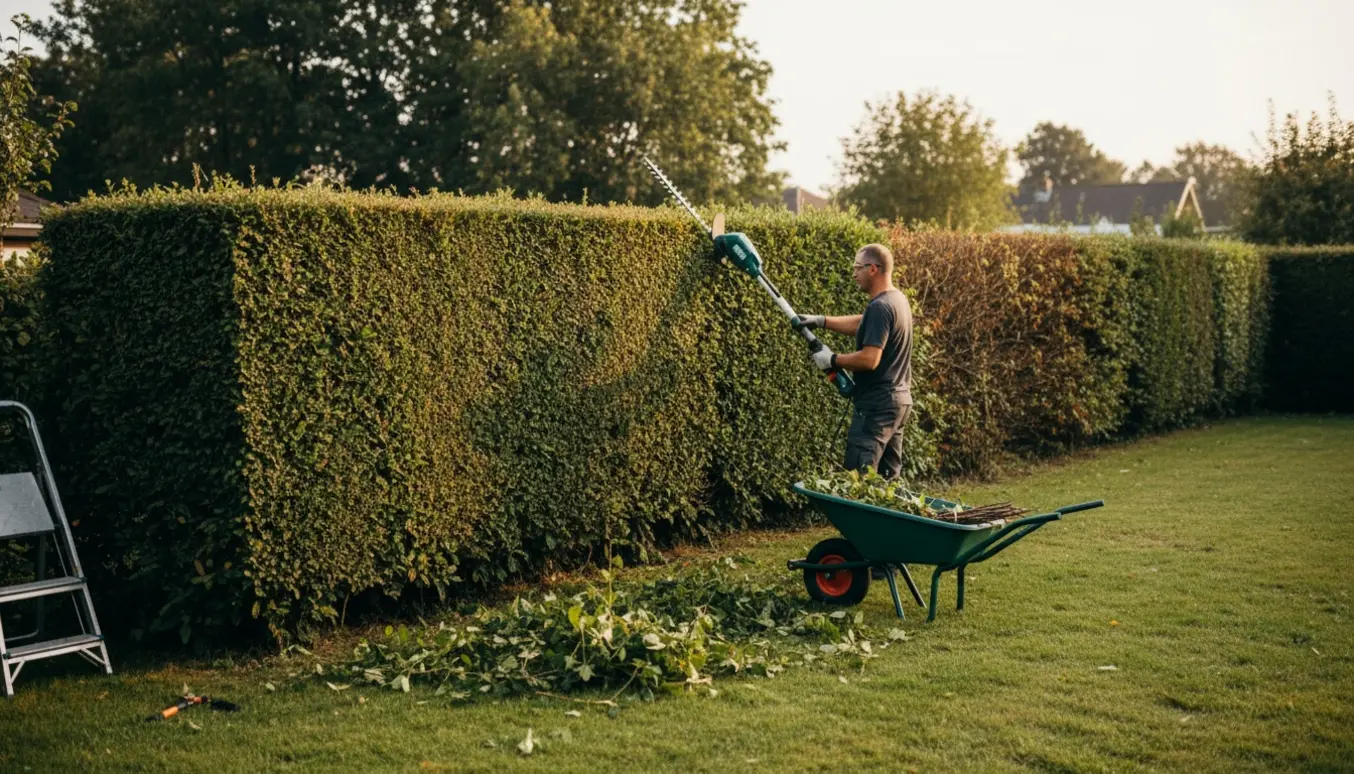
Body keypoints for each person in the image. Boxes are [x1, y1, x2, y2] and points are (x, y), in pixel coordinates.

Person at [793, 243, 913, 479]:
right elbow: (864, 324)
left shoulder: (880, 307)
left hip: (876, 408)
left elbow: (870, 359)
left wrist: (833, 360)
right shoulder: (896, 300)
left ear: (872, 269)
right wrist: (821, 320)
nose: (853, 273)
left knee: (859, 479)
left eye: (858, 267)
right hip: (898, 402)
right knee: (888, 482)